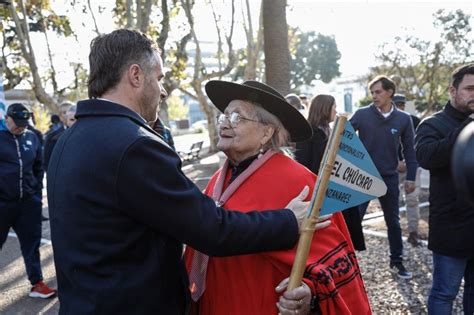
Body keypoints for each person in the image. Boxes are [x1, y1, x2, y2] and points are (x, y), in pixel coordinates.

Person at [47, 29, 322, 314]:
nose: (163, 90)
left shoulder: (69, 138)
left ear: (268, 131)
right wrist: (289, 221)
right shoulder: (135, 146)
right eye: (160, 77)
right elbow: (211, 230)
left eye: (237, 117)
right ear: (136, 76)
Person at [185, 81, 371, 315]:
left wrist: (309, 291)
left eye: (237, 117)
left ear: (267, 132)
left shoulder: (298, 182)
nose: (224, 124)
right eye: (224, 116)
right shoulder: (217, 180)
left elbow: (334, 262)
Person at [415, 63, 474, 314]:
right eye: (470, 89)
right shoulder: (432, 124)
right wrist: (468, 126)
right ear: (452, 90)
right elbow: (427, 157)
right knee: (444, 293)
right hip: (451, 226)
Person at [350, 75, 417, 279]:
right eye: (372, 92)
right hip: (363, 177)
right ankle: (344, 263)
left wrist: (411, 177)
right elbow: (342, 139)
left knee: (393, 223)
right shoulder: (361, 115)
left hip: (388, 178)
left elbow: (410, 151)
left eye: (378, 92)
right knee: (352, 221)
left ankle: (396, 262)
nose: (374, 96)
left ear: (390, 93)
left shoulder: (404, 119)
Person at [295, 94, 366, 251]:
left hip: (336, 192)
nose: (336, 111)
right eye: (334, 107)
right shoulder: (309, 134)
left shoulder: (331, 132)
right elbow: (303, 164)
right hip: (320, 195)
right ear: (325, 109)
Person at [0, 103, 57, 299]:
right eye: (17, 123)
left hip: (28, 204)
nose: (21, 127)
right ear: (7, 119)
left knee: (32, 245)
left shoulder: (32, 137)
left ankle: (37, 284)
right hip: (3, 204)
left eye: (24, 123)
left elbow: (39, 168)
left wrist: (36, 195)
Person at [392, 94, 422, 247]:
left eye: (402, 104)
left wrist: (410, 162)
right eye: (397, 104)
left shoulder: (414, 121)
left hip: (412, 165)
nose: (400, 107)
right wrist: (396, 162)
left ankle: (413, 232)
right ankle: (395, 235)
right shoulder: (385, 121)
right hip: (393, 166)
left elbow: (419, 144)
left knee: (412, 200)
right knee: (392, 201)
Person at [43, 102, 72, 171]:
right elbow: (47, 161)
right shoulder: (52, 137)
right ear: (60, 117)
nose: (68, 114)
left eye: (70, 111)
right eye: (64, 112)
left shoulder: (83, 133)